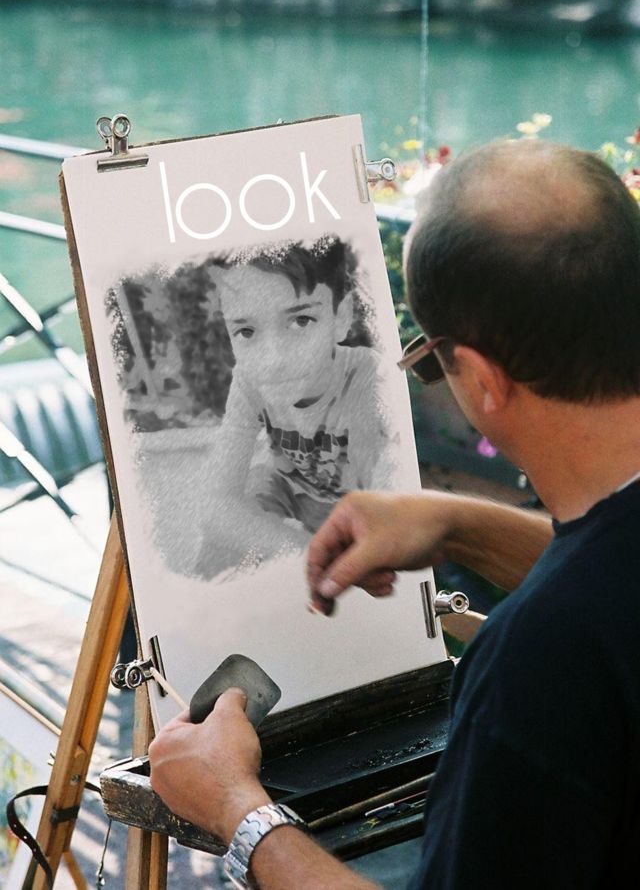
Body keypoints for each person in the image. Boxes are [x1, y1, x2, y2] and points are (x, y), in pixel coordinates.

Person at [148, 137, 640, 888]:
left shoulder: (534, 666)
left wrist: (237, 810)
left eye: (429, 361)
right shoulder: (583, 619)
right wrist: (459, 523)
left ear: (480, 379)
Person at [195, 235, 392, 577]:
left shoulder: (368, 378)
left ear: (341, 317)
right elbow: (215, 504)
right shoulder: (249, 379)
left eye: (300, 321)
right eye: (246, 331)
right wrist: (300, 549)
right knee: (250, 494)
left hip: (352, 508)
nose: (273, 361)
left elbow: (379, 507)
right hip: (289, 500)